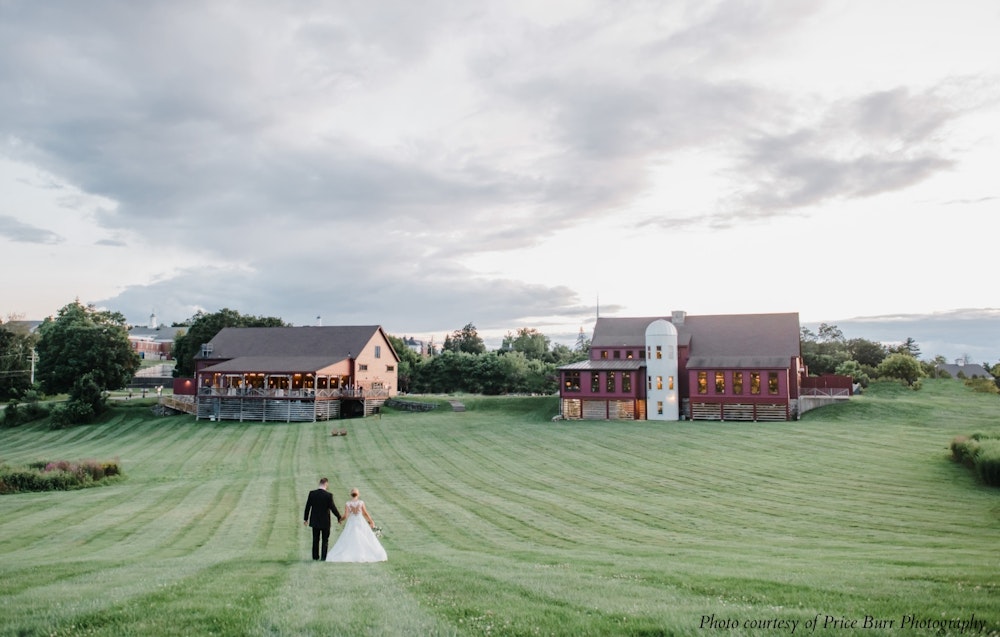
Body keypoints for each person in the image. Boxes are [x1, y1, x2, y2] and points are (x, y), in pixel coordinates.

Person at [325, 488, 387, 563]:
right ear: (358, 494)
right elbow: (365, 513)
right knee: (364, 536)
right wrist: (371, 521)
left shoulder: (348, 503)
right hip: (360, 521)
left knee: (349, 536)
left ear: (351, 495)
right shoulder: (361, 502)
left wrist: (340, 519)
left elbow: (346, 515)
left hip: (352, 521)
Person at [303, 477, 343, 561]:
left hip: (315, 520)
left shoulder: (312, 494)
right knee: (325, 540)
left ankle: (315, 556)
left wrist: (305, 519)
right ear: (326, 484)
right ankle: (323, 557)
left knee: (315, 539)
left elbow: (308, 507)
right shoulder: (328, 495)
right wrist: (339, 517)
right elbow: (333, 508)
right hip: (325, 521)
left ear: (319, 483)